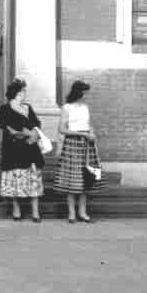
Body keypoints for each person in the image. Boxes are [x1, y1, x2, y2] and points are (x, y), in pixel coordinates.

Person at [54, 80, 103, 223]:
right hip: (73, 144)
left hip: (88, 145)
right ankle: (71, 213)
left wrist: (92, 134)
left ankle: (83, 212)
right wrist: (81, 134)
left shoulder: (86, 108)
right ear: (79, 92)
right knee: (72, 180)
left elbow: (88, 125)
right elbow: (61, 129)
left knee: (86, 179)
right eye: (85, 92)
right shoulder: (67, 108)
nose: (87, 95)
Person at [0, 78, 45, 223]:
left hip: (30, 149)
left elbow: (37, 123)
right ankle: (16, 208)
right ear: (17, 92)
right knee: (15, 180)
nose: (25, 93)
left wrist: (35, 133)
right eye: (23, 90)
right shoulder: (4, 108)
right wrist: (24, 132)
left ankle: (35, 211)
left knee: (33, 180)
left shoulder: (28, 107)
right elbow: (7, 128)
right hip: (13, 150)